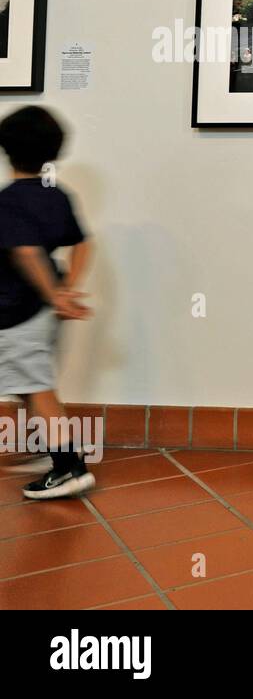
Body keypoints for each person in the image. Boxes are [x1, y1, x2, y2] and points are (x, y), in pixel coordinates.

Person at [0, 106, 96, 499]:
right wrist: (66, 290)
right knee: (29, 382)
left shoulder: (8, 202)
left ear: (6, 150)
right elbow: (83, 243)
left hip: (16, 311)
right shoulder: (56, 195)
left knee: (36, 387)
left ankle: (68, 466)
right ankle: (52, 447)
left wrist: (56, 294)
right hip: (39, 312)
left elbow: (26, 252)